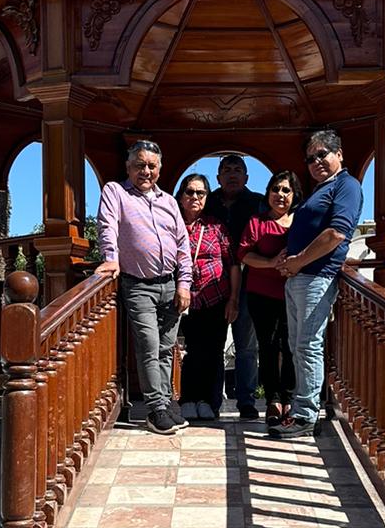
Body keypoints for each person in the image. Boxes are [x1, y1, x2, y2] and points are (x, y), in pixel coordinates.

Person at [96, 139, 192, 434]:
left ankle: (165, 401)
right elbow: (107, 226)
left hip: (170, 285)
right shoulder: (116, 192)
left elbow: (183, 245)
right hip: (138, 285)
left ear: (159, 169)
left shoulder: (169, 202)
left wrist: (184, 283)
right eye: (139, 165)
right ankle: (155, 409)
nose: (146, 171)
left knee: (166, 348)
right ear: (128, 167)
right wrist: (110, 258)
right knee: (149, 346)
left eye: (151, 166)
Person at [274, 130, 364, 439]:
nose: (316, 162)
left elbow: (337, 233)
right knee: (297, 347)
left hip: (317, 278)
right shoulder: (319, 189)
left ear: (339, 154)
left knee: (308, 346)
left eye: (322, 154)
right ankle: (301, 410)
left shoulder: (347, 186)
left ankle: (305, 416)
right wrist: (289, 255)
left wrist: (299, 261)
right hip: (298, 278)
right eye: (310, 158)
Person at [238, 170, 302, 429]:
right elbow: (244, 255)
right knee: (268, 346)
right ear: (268, 193)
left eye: (286, 190)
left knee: (291, 346)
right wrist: (272, 262)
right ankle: (273, 400)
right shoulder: (257, 222)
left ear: (295, 195)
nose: (280, 194)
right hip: (261, 293)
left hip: (295, 293)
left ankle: (289, 399)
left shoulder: (302, 222)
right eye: (276, 189)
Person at [176, 173, 240, 422]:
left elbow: (232, 264)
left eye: (200, 193)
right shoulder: (171, 224)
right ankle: (188, 399)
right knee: (190, 350)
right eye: (190, 192)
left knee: (213, 350)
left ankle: (208, 402)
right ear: (181, 195)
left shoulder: (216, 226)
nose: (195, 197)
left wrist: (233, 299)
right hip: (184, 299)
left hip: (216, 297)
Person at [205, 153, 264, 419]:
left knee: (246, 346)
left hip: (251, 282)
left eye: (237, 170)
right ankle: (212, 400)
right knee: (213, 345)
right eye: (226, 170)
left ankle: (247, 401)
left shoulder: (259, 203)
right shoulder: (207, 203)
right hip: (212, 284)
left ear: (246, 177)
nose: (232, 174)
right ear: (218, 177)